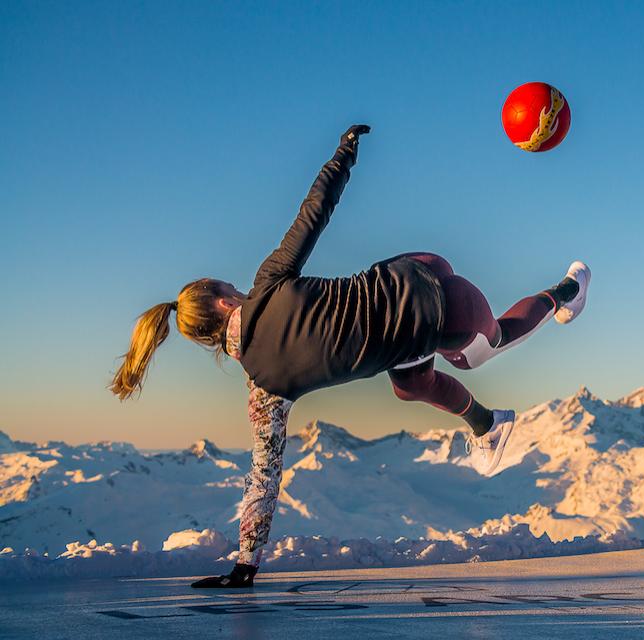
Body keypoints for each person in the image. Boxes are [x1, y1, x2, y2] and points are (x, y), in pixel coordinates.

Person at [108, 125, 590, 588]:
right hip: (415, 269)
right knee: (409, 385)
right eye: (227, 286)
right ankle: (487, 425)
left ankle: (568, 290)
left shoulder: (265, 390)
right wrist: (343, 155)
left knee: (486, 350)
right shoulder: (268, 282)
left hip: (443, 315)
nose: (235, 286)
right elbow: (313, 213)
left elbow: (264, 477)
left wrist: (245, 564)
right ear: (220, 301)